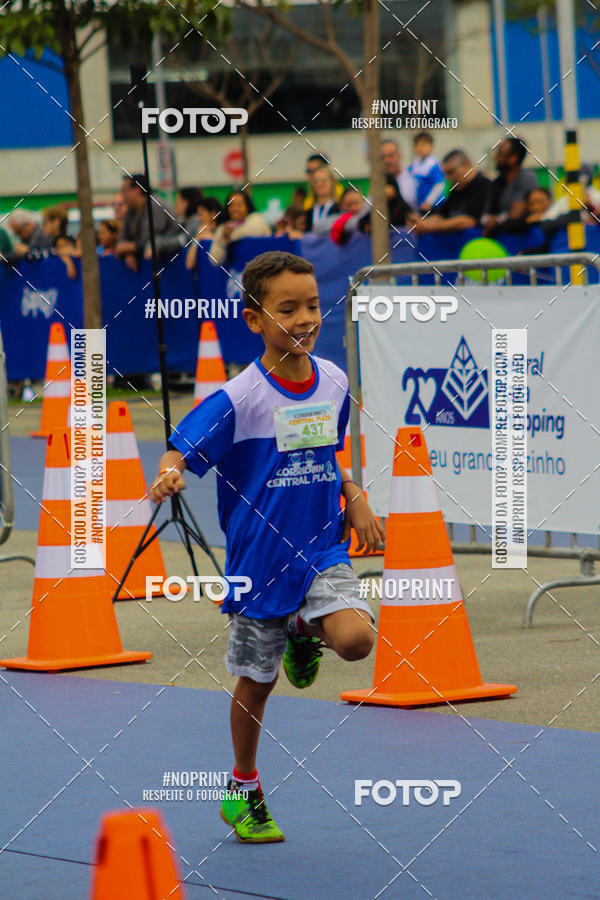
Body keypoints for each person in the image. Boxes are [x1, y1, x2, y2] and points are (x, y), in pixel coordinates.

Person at [149, 250, 383, 842]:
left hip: (321, 548)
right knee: (258, 682)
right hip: (258, 564)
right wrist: (170, 471)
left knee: (357, 640)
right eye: (287, 309)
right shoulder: (239, 397)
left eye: (312, 305)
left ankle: (307, 630)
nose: (305, 318)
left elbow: (328, 449)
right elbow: (180, 451)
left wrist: (353, 491)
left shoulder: (334, 379)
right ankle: (244, 786)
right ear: (255, 320)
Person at [407, 150, 491, 234]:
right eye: (445, 174)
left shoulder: (483, 185)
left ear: (465, 165)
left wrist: (428, 227)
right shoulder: (456, 188)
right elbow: (441, 216)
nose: (447, 178)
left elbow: (469, 220)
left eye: (451, 172)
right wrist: (419, 222)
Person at [115, 173, 179, 271]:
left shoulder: (154, 206)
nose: (122, 194)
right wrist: (128, 253)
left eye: (125, 190)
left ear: (137, 190)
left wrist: (128, 248)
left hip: (170, 265)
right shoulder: (130, 211)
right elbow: (120, 241)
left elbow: (149, 240)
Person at [482, 137, 539, 234]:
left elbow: (515, 215)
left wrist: (496, 221)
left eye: (500, 154)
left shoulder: (526, 179)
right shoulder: (497, 182)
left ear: (514, 158)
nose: (495, 158)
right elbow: (485, 215)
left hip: (522, 239)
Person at [208, 190, 271, 266]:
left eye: (239, 205)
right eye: (231, 205)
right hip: (235, 274)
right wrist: (224, 239)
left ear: (247, 206)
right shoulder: (223, 228)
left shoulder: (256, 219)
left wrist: (228, 236)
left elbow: (253, 229)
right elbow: (214, 260)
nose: (234, 209)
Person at [145, 186, 203, 259]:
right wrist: (155, 244)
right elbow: (168, 236)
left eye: (177, 201)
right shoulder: (182, 222)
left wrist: (159, 245)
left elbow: (184, 239)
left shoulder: (196, 221)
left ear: (185, 203)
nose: (175, 205)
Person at [409, 132, 445, 212]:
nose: (419, 148)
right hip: (420, 204)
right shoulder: (415, 163)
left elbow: (439, 185)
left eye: (423, 145)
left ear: (431, 147)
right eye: (417, 145)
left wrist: (429, 202)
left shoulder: (433, 165)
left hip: (433, 206)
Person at [185, 197, 224, 270]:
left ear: (213, 214)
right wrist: (197, 238)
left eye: (201, 214)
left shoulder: (223, 231)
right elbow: (189, 265)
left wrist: (211, 237)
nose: (199, 218)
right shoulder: (201, 235)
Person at [380, 138, 418, 210]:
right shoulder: (378, 184)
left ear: (399, 155)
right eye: (382, 157)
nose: (386, 160)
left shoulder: (414, 178)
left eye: (390, 155)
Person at [304, 167, 340, 232]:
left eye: (323, 181)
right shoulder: (308, 213)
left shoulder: (340, 209)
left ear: (332, 182)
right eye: (315, 181)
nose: (319, 184)